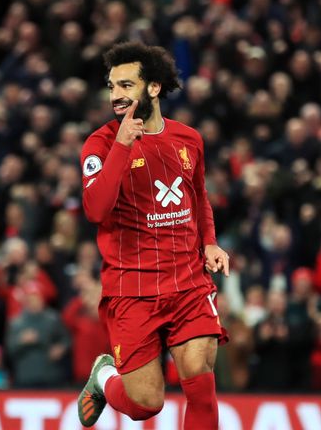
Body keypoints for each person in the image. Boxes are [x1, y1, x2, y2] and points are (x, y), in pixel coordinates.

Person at [76, 42, 230, 429]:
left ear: (154, 88)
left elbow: (198, 197)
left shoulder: (189, 139)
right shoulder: (100, 144)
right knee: (146, 405)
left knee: (200, 378)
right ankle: (105, 377)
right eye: (111, 86)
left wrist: (209, 241)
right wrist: (124, 145)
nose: (116, 95)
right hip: (132, 287)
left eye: (126, 85)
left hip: (188, 282)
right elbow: (95, 209)